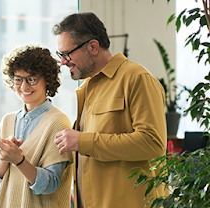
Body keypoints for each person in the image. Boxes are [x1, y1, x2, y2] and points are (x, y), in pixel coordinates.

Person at [52, 12, 168, 208]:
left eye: (67, 54)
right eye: (60, 55)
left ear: (93, 47)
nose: (63, 61)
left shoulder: (137, 78)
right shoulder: (86, 87)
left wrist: (83, 141)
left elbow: (153, 143)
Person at [0, 44, 74, 208]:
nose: (24, 87)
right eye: (18, 79)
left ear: (47, 79)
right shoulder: (8, 120)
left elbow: (50, 184)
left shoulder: (58, 122)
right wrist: (4, 157)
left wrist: (18, 160)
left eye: (31, 79)